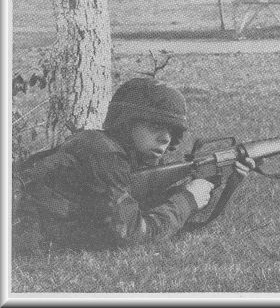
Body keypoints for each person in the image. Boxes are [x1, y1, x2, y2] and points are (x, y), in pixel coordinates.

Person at [12, 77, 255, 255]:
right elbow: (134, 235)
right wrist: (187, 199)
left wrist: (213, 180)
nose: (165, 138)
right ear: (126, 124)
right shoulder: (105, 157)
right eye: (155, 127)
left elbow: (138, 205)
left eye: (171, 131)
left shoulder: (109, 150)